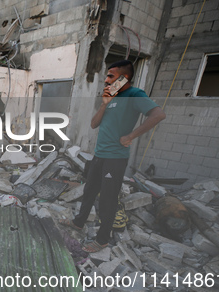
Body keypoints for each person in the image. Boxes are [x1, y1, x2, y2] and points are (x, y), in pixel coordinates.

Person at [61, 60, 166, 253]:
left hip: (115, 159)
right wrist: (104, 104)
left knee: (108, 200)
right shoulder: (110, 96)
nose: (107, 80)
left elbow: (158, 114)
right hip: (99, 155)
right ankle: (78, 222)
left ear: (124, 78)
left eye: (111, 76)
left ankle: (102, 240)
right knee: (89, 191)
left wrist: (131, 136)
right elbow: (94, 124)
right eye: (107, 76)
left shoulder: (135, 94)